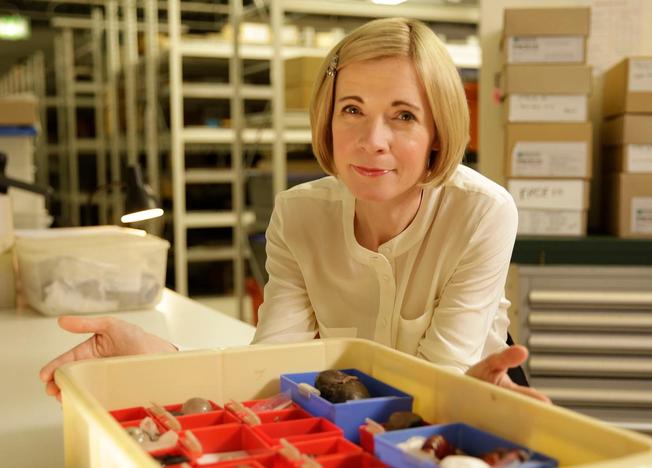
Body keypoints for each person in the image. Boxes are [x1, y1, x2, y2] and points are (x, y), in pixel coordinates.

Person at [40, 17, 549, 404]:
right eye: (352, 110)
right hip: (356, 413)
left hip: (468, 409)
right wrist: (157, 361)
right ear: (327, 118)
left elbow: (437, 382)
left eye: (404, 116)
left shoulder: (481, 213)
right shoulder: (299, 215)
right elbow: (270, 369)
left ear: (438, 131)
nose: (373, 141)